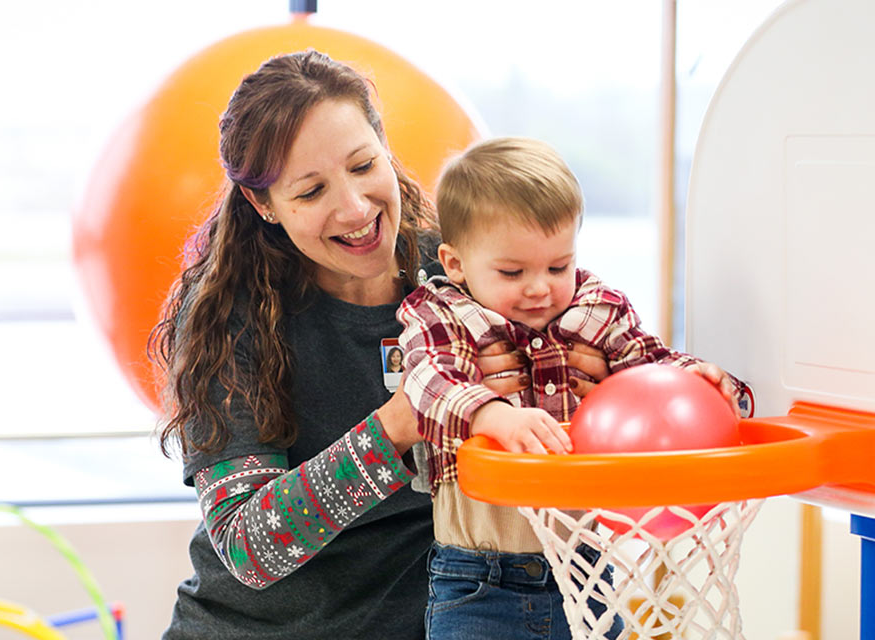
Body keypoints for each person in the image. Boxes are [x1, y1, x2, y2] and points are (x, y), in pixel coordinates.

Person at [150, 52, 610, 640]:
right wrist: (395, 428)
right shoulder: (229, 318)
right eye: (312, 191)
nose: (355, 208)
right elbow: (248, 548)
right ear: (264, 206)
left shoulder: (466, 270)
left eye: (364, 165)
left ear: (385, 147)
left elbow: (600, 335)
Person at [396, 137, 748, 640]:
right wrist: (493, 416)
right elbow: (429, 382)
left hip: (585, 573)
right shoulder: (443, 314)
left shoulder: (596, 308)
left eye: (558, 266)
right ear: (455, 263)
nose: (540, 287)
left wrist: (698, 376)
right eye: (513, 272)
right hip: (478, 578)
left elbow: (649, 365)